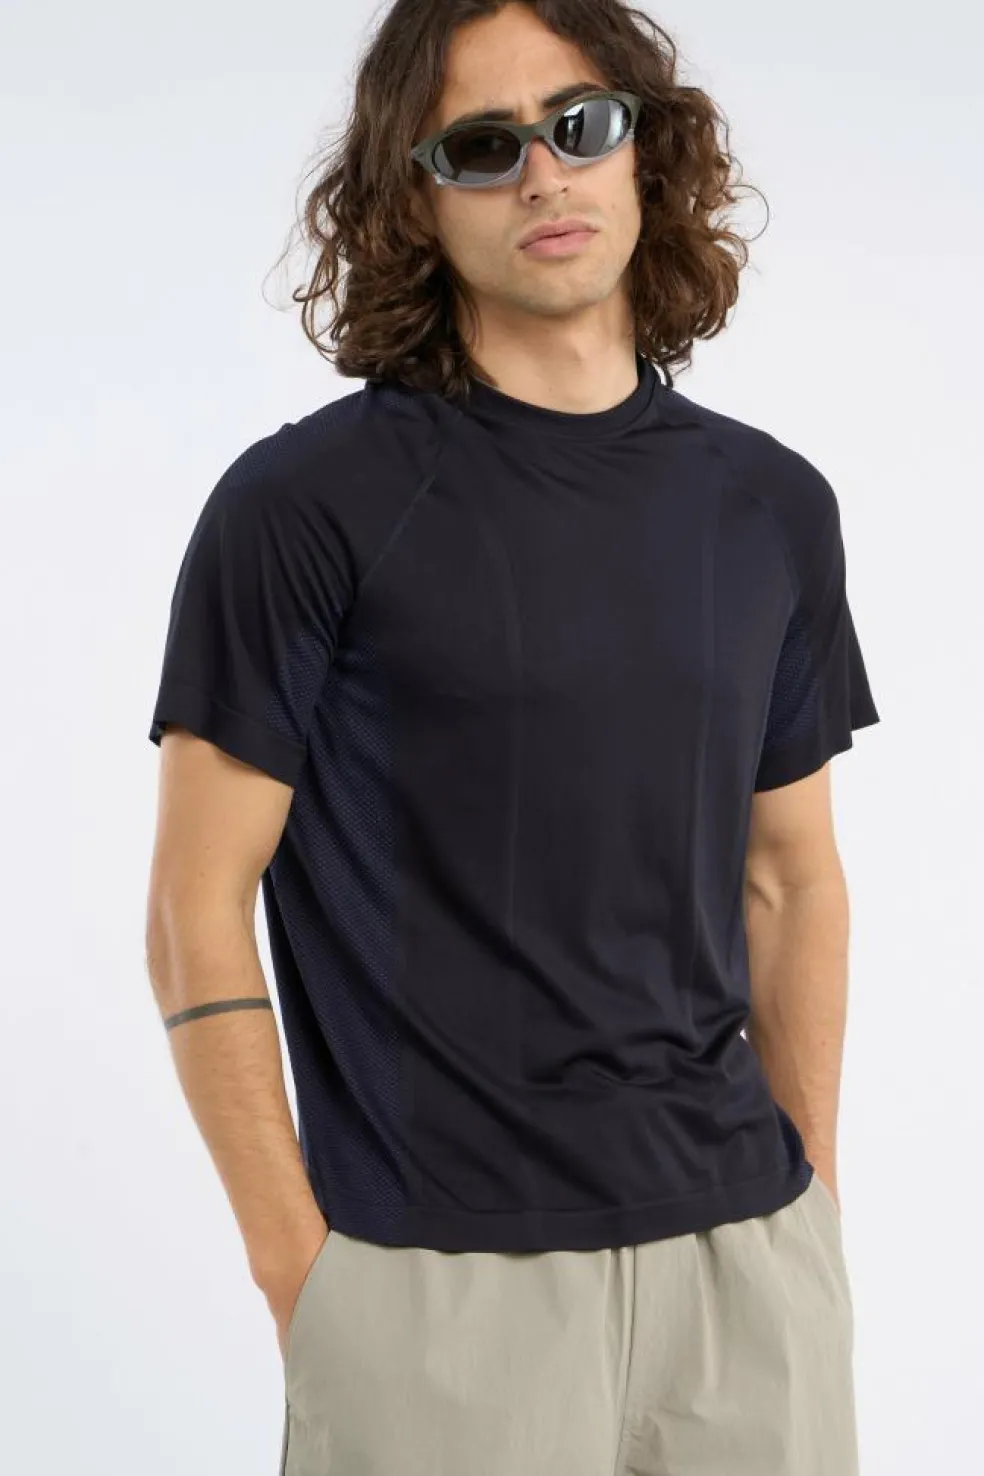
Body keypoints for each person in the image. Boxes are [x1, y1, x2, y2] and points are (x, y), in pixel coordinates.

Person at [145, 2, 881, 1472]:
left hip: (746, 1277)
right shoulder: (304, 509)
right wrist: (302, 1275)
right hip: (435, 1293)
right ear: (412, 198)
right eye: (481, 148)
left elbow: (790, 876)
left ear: (646, 153)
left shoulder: (771, 507)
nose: (543, 174)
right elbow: (193, 908)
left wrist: (810, 1202)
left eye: (579, 125)